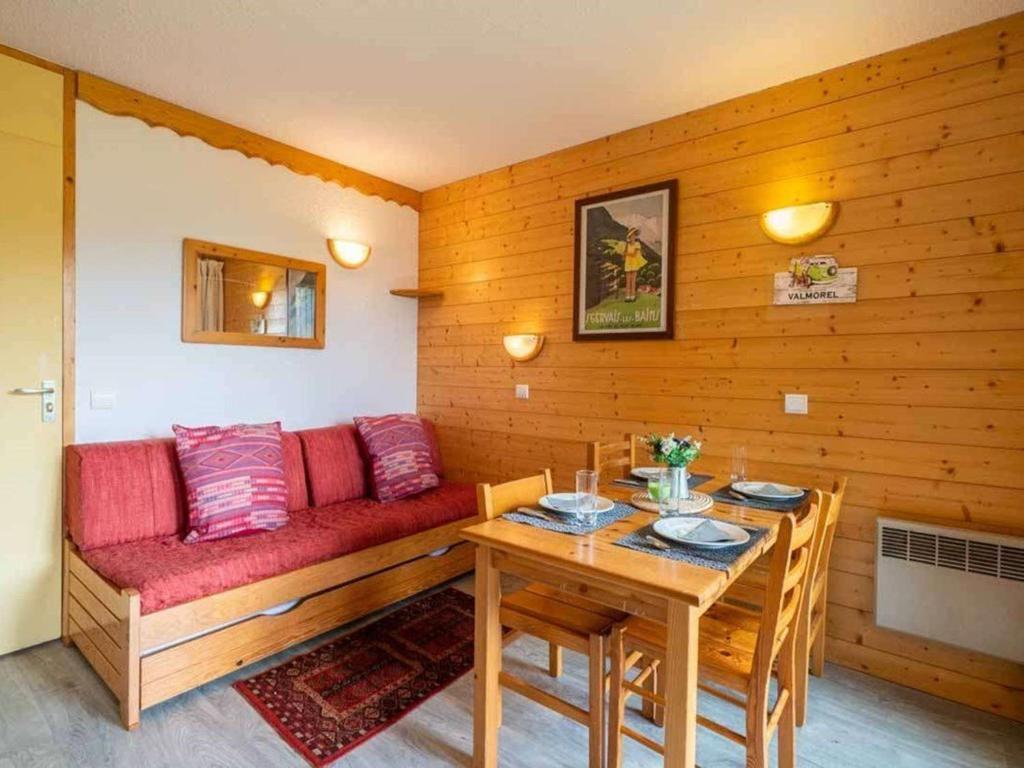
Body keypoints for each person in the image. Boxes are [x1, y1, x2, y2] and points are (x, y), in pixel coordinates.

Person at [601, 227, 646, 302]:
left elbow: (634, 254)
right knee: (628, 281)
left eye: (634, 235)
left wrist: (626, 253)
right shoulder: (627, 245)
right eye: (631, 236)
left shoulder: (637, 244)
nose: (633, 237)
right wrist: (623, 254)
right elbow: (624, 256)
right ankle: (628, 296)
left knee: (633, 280)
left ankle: (632, 296)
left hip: (634, 263)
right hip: (628, 263)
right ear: (629, 237)